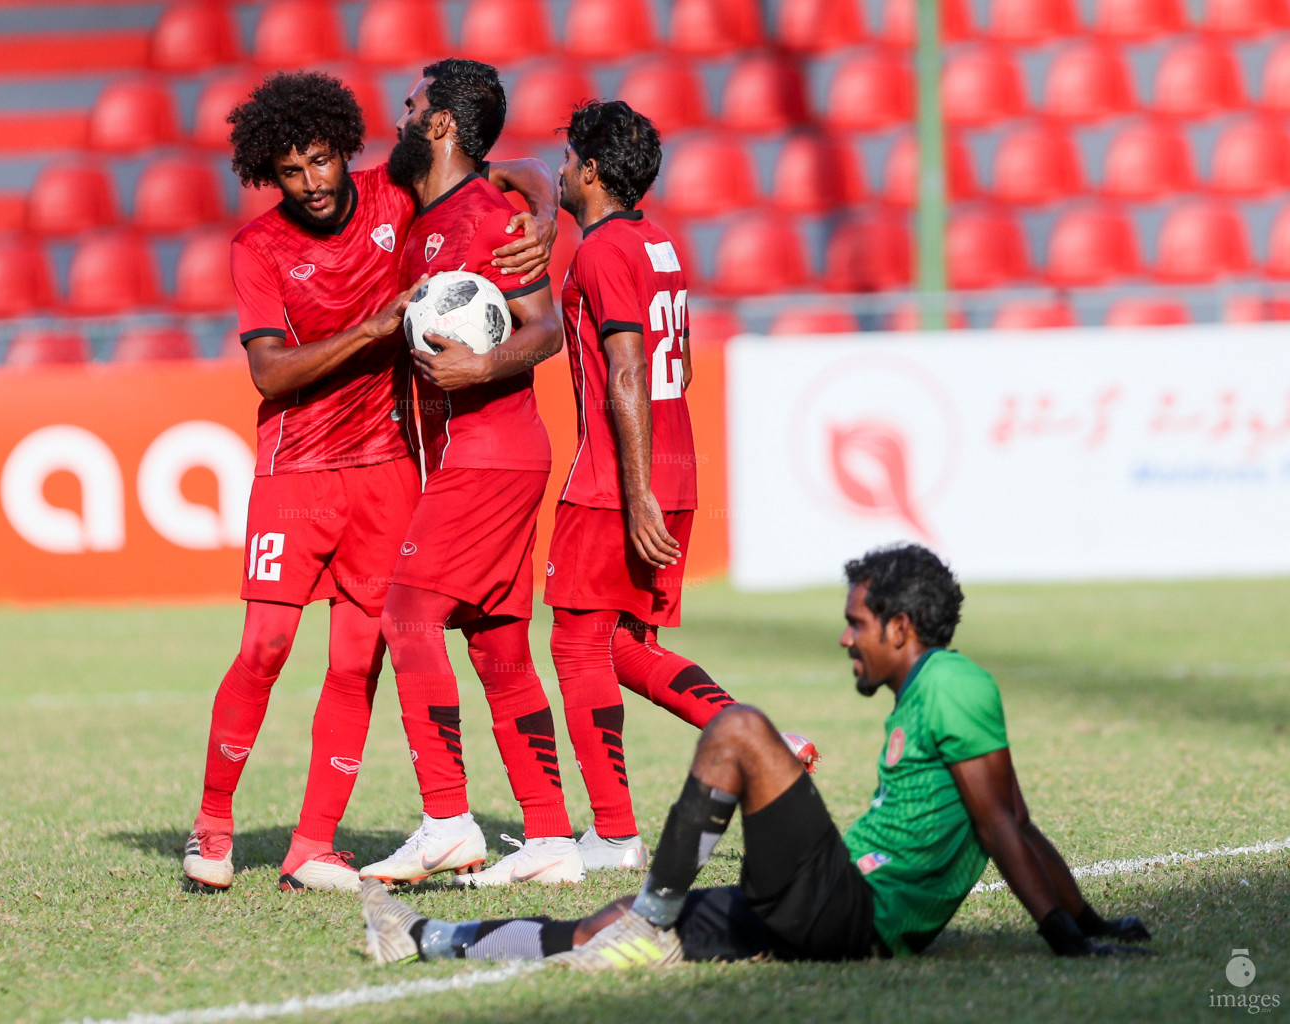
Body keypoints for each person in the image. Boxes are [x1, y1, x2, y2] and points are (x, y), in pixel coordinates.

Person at [360, 543, 1155, 966]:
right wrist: (1091, 921)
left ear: (900, 629)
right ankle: (429, 939)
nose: (845, 638)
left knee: (738, 730)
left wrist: (1065, 936)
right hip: (831, 907)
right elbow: (1014, 816)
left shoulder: (951, 684)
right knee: (607, 924)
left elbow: (1000, 825)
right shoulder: (927, 690)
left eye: (856, 622)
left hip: (856, 914)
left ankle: (655, 913)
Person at [182, 70, 559, 894]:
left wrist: (544, 220)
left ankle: (312, 844)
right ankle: (211, 828)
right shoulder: (258, 249)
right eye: (290, 171)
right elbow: (271, 376)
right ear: (265, 175)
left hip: (389, 466)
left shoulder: (392, 193)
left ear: (341, 150)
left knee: (359, 659)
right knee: (266, 648)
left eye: (320, 160)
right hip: (298, 467)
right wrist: (377, 326)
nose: (312, 183)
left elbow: (511, 169)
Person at [546, 99, 817, 872]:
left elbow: (626, 369)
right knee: (624, 646)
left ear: (592, 170)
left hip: (615, 477)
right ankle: (767, 739)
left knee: (574, 645)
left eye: (568, 159)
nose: (561, 170)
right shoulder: (660, 244)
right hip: (675, 463)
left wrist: (631, 492)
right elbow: (681, 363)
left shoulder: (598, 252)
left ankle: (611, 832)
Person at [357, 59, 579, 888]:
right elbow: (519, 168)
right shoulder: (442, 208)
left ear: (441, 124)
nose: (400, 116)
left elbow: (545, 328)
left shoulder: (486, 217)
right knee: (497, 646)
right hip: (476, 453)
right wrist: (546, 198)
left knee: (407, 616)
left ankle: (448, 818)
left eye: (411, 107)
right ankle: (552, 839)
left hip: (493, 446)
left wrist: (479, 367)